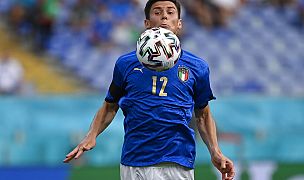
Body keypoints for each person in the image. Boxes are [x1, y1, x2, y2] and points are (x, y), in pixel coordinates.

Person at [63, 0, 235, 179]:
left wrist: (215, 151)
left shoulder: (197, 67)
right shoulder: (125, 64)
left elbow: (203, 115)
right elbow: (110, 106)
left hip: (177, 161)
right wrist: (92, 135)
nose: (164, 16)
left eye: (170, 12)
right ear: (146, 23)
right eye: (157, 12)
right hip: (135, 161)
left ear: (179, 23)